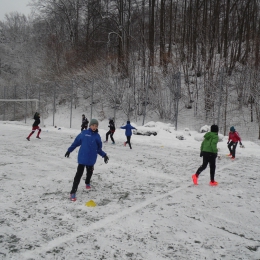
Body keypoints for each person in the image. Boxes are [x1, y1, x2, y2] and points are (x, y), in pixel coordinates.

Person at [65, 119, 109, 201]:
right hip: (82, 158)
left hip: (91, 159)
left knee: (90, 172)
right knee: (78, 175)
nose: (94, 127)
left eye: (96, 126)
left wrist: (104, 155)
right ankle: (73, 192)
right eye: (93, 125)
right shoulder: (84, 133)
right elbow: (76, 143)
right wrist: (69, 150)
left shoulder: (97, 136)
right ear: (90, 125)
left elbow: (99, 149)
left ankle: (87, 182)